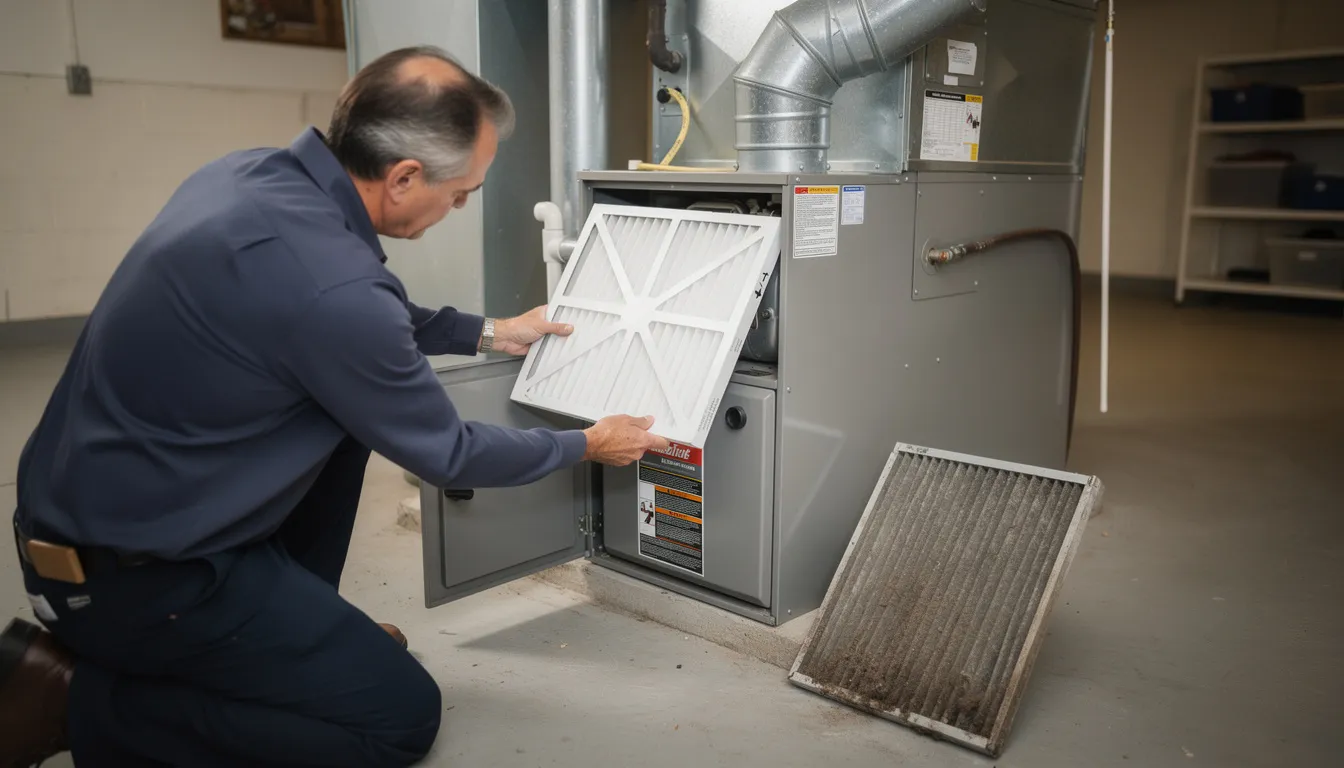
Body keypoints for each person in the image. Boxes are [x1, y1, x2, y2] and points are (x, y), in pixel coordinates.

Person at [0, 45, 666, 767]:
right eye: (463, 191)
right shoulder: (335, 291)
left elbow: (346, 319)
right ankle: (71, 698)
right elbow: (449, 453)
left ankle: (291, 645)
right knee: (396, 720)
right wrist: (587, 443)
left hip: (97, 521)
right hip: (137, 580)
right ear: (404, 177)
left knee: (341, 424)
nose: (461, 205)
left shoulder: (251, 177)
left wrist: (489, 332)